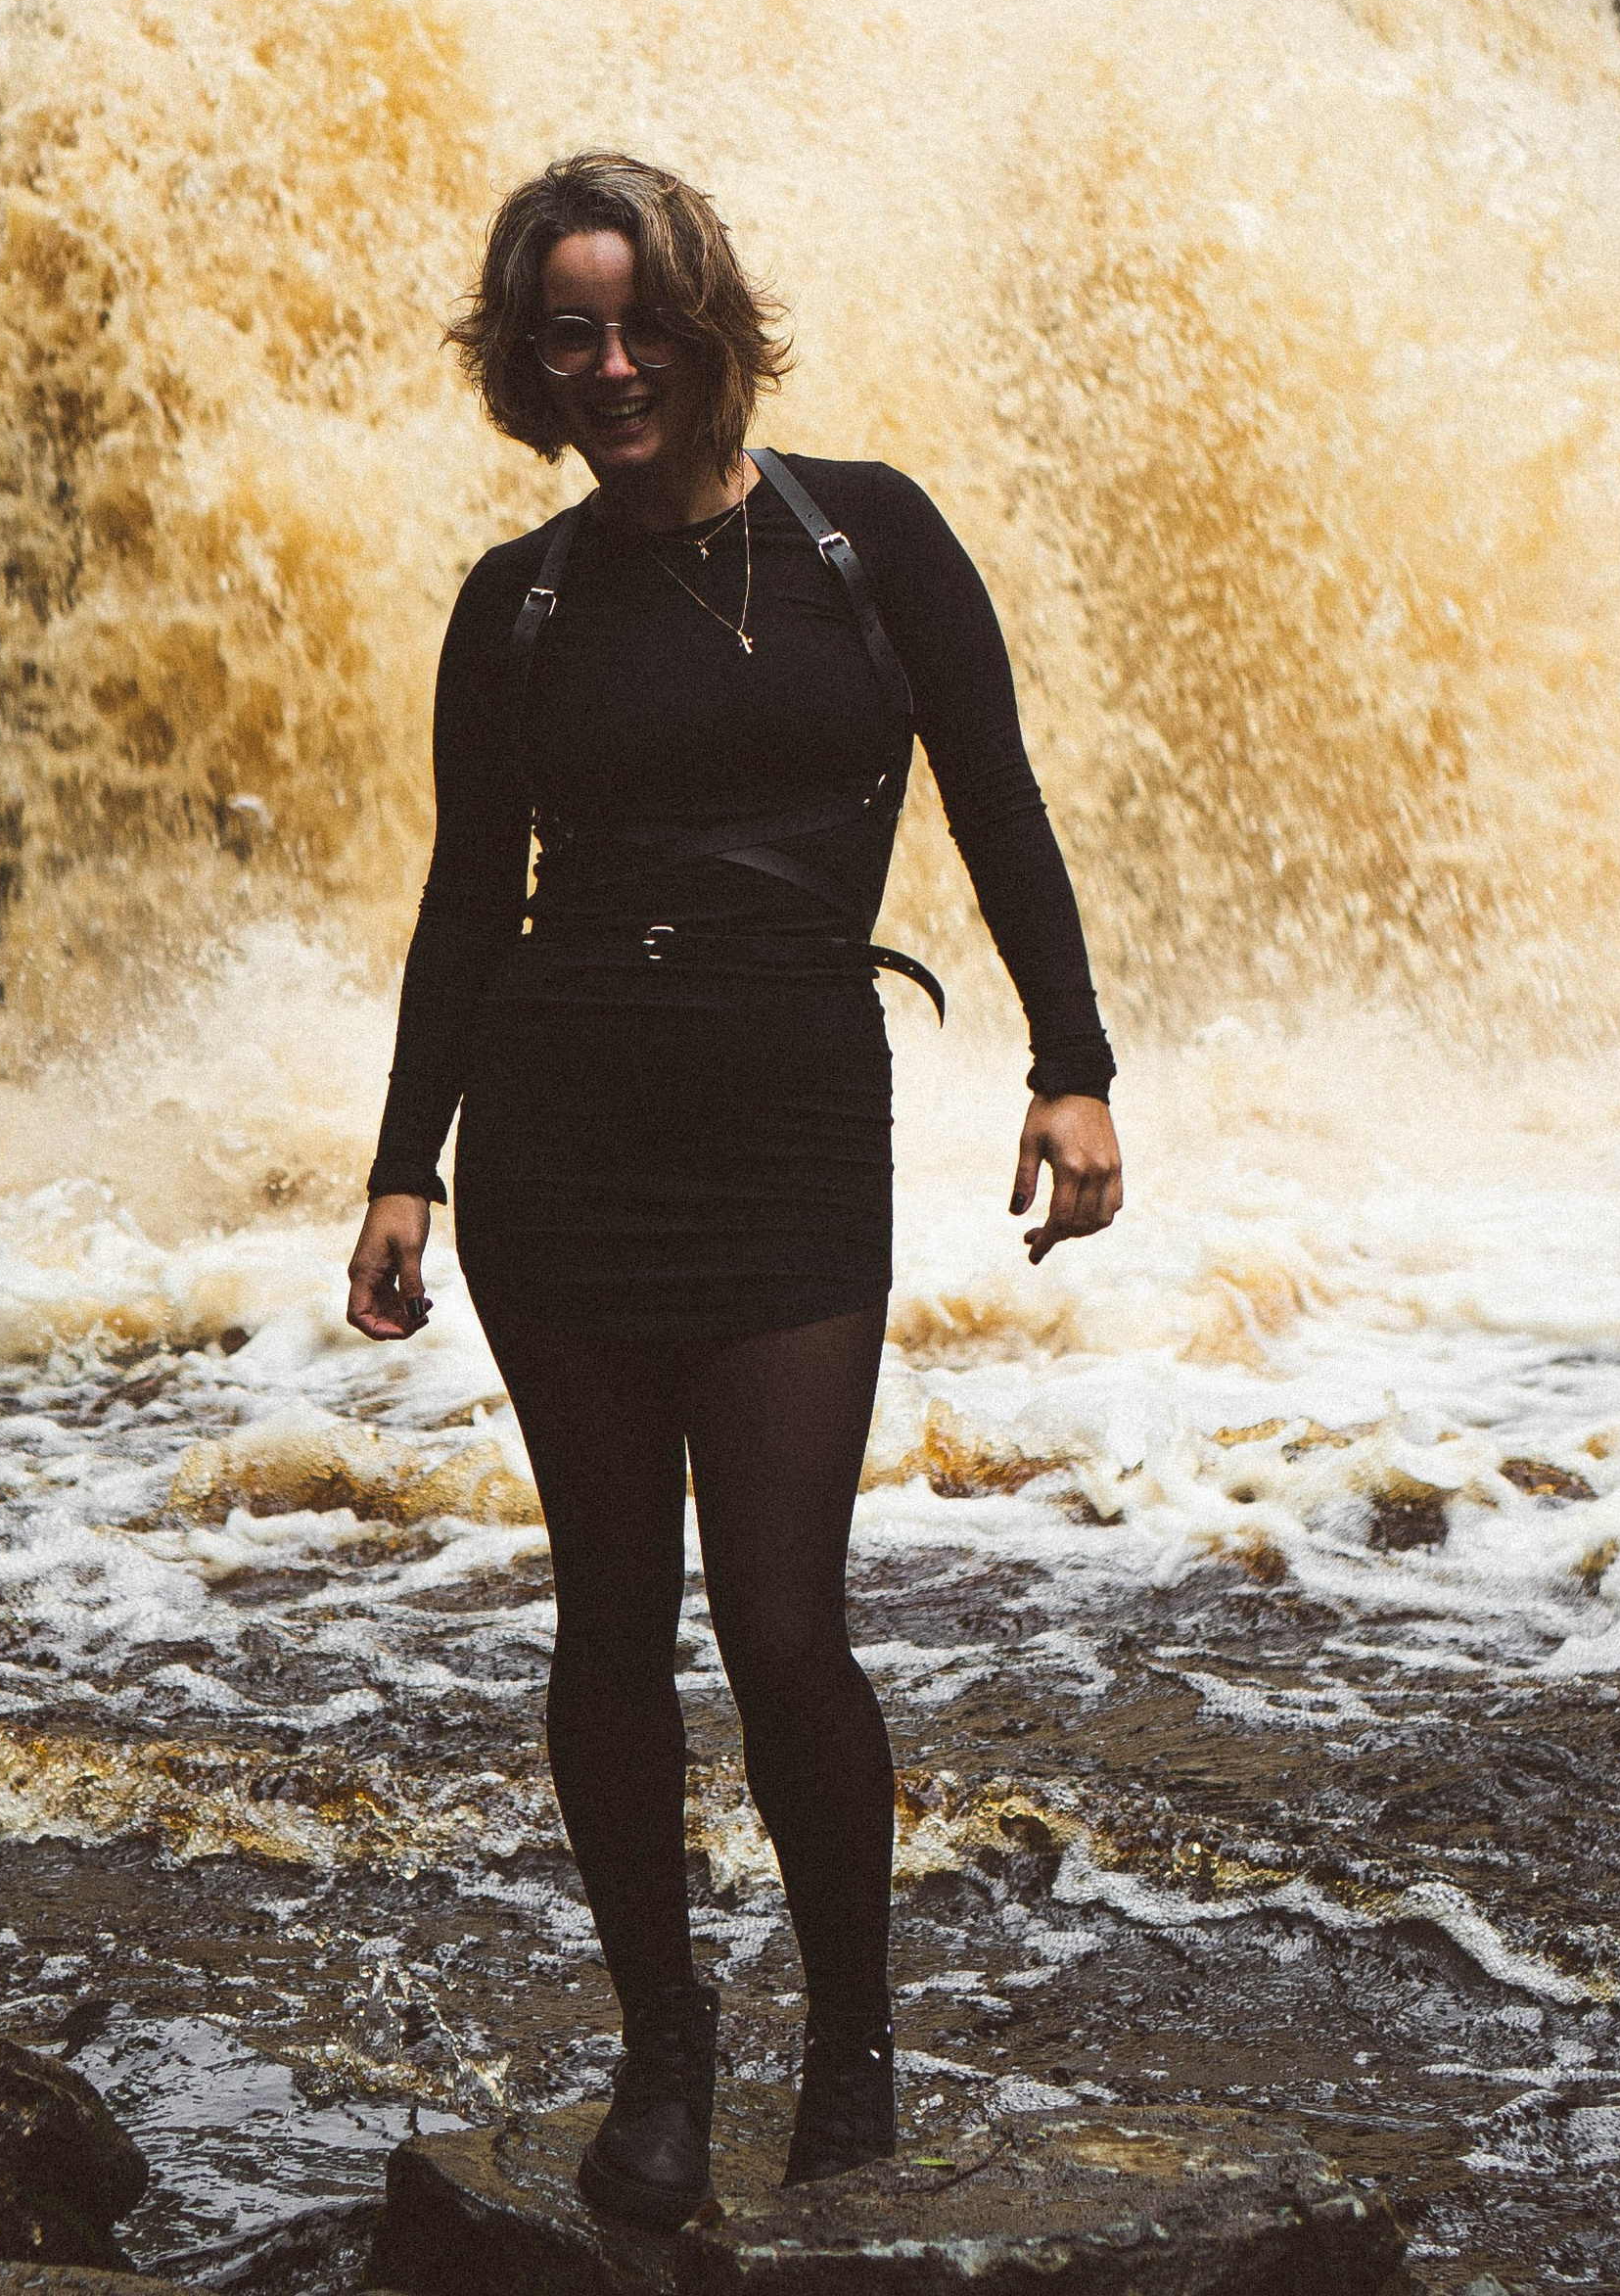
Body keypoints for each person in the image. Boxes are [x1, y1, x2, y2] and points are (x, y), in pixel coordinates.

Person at [346, 152, 1121, 2231]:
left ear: (708, 332)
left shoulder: (870, 539)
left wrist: (1072, 1064)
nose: (609, 370)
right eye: (567, 338)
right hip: (560, 1145)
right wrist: (404, 1170)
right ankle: (663, 2054)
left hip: (787, 1141)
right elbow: (462, 899)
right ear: (528, 364)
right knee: (608, 1622)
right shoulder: (515, 602)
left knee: (785, 1629)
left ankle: (850, 2059)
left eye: (640, 329)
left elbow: (999, 798)